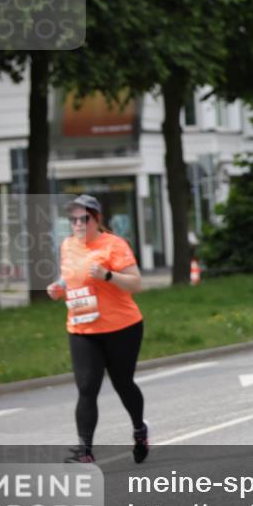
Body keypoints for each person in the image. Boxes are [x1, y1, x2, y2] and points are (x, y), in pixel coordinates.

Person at [46, 195, 149, 464]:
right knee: (86, 388)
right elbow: (70, 275)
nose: (78, 224)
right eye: (73, 220)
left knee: (122, 384)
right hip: (82, 327)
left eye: (84, 219)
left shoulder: (114, 245)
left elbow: (136, 284)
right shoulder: (67, 245)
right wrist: (58, 287)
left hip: (121, 327)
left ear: (97, 219)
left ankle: (139, 430)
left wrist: (107, 275)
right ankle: (85, 451)